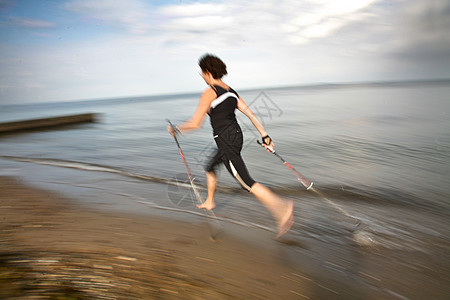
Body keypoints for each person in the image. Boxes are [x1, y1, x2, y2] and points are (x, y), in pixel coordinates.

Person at [168, 54, 294, 238]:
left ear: (208, 72)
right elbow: (250, 114)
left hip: (226, 140)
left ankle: (282, 208)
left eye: (202, 73)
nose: (202, 76)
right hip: (235, 136)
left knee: (246, 182)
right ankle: (210, 201)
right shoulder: (231, 92)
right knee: (210, 167)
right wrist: (265, 136)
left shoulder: (210, 92)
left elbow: (196, 123)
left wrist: (175, 129)